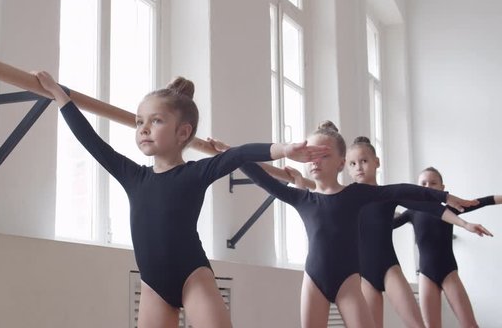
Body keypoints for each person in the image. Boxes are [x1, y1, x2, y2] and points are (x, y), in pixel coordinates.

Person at [34, 71, 329, 328]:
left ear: (183, 132)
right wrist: (61, 97)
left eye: (156, 120)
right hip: (153, 287)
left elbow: (239, 154)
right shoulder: (133, 176)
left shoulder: (196, 173)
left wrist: (285, 149)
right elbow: (93, 143)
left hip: (192, 277)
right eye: (139, 122)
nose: (143, 128)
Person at [208, 122, 478, 328]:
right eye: (310, 155)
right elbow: (258, 175)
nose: (315, 161)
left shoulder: (356, 195)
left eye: (323, 155)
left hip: (349, 284)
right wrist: (231, 153)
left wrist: (445, 197)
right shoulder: (302, 198)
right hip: (313, 281)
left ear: (340, 163)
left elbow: (404, 190)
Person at [344, 137, 491, 328]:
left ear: (376, 162)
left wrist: (464, 224)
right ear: (346, 167)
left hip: (389, 269)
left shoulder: (390, 193)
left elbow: (429, 205)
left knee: (417, 325)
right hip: (364, 274)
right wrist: (300, 180)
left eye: (364, 161)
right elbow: (319, 192)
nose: (359, 167)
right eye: (352, 163)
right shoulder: (344, 197)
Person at [394, 167, 500, 328]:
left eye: (433, 183)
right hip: (425, 275)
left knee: (470, 325)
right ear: (417, 188)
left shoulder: (450, 209)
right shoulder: (412, 212)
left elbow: (483, 201)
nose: (428, 186)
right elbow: (388, 224)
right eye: (423, 183)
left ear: (442, 189)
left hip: (448, 272)